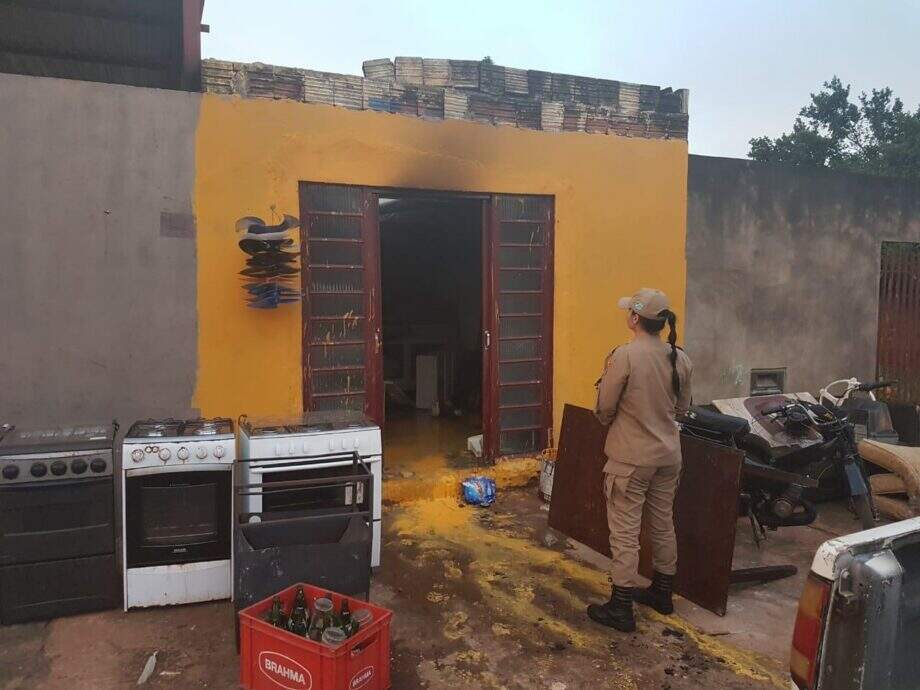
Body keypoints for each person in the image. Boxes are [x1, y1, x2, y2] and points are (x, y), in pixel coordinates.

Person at [587, 288, 692, 632]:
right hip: (668, 456)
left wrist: (614, 422)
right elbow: (682, 409)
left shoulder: (625, 356)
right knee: (663, 523)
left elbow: (604, 408)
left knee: (625, 531)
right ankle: (663, 592)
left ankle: (621, 607)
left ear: (635, 318)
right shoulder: (680, 358)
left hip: (630, 460)